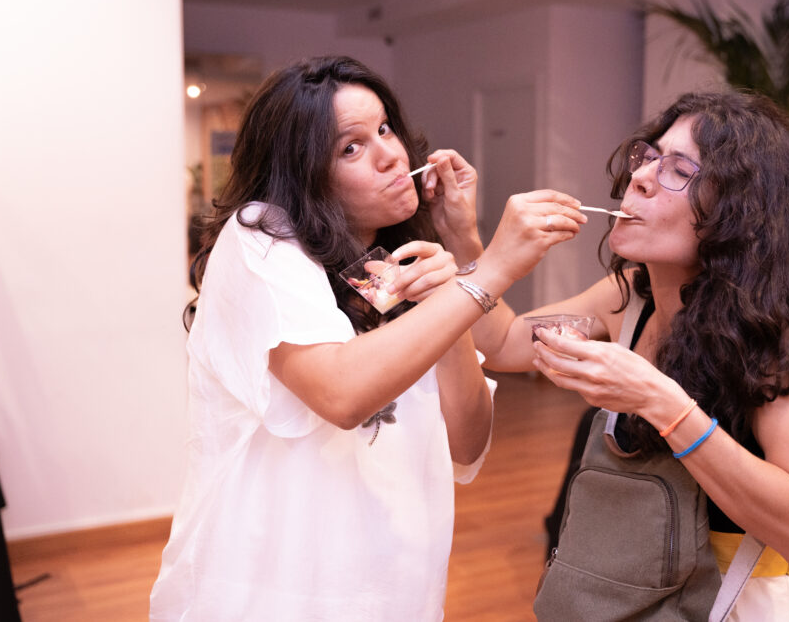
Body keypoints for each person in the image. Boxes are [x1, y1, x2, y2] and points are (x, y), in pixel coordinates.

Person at [149, 55, 584, 621]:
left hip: (394, 585)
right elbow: (342, 395)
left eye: (384, 129)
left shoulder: (414, 264)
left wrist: (455, 279)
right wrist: (494, 270)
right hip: (271, 588)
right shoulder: (258, 239)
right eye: (350, 148)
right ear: (304, 175)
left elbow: (467, 447)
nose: (390, 155)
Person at [447, 90, 789, 619]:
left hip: (737, 605)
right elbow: (502, 342)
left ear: (738, 213)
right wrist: (463, 235)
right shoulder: (629, 296)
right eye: (650, 156)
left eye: (679, 170)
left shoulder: (788, 331)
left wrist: (662, 402)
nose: (638, 177)